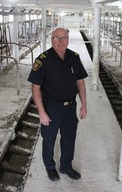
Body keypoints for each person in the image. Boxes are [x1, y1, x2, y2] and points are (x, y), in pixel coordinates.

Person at [27, 27, 88, 181]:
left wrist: (84, 104)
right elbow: (35, 88)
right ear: (51, 39)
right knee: (49, 139)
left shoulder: (74, 57)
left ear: (68, 39)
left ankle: (66, 166)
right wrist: (41, 112)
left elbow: (80, 82)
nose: (61, 41)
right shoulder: (43, 60)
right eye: (57, 38)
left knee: (69, 137)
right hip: (51, 108)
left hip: (70, 107)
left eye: (64, 38)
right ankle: (50, 167)